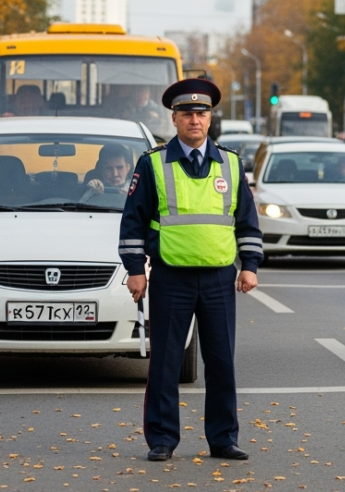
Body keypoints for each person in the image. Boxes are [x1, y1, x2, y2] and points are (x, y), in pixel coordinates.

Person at [119, 78, 262, 463]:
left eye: (201, 113)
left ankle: (223, 439)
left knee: (221, 363)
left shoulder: (231, 164)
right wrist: (136, 270)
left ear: (210, 117)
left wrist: (249, 266)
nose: (195, 120)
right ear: (175, 118)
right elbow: (132, 223)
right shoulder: (152, 163)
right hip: (170, 277)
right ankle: (162, 440)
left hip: (218, 279)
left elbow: (247, 222)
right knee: (165, 363)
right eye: (187, 114)